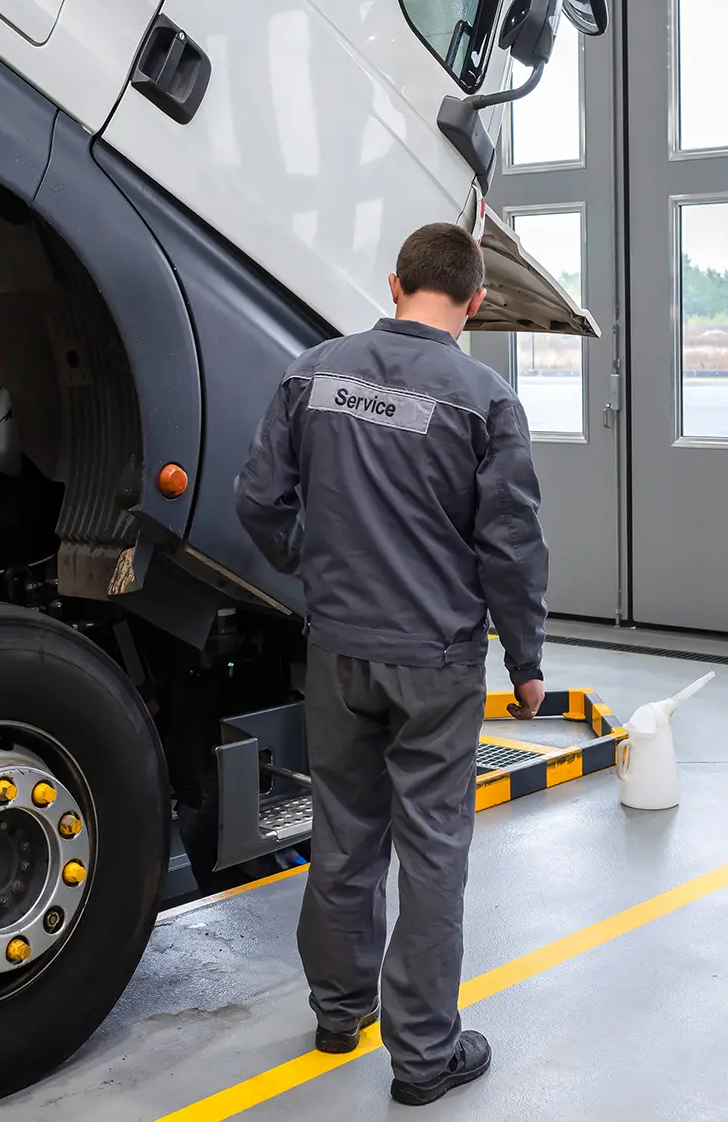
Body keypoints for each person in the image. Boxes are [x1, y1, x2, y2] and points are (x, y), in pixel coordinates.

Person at [233, 221, 549, 1106]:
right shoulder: (485, 400)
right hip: (437, 660)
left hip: (336, 649)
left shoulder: (311, 372)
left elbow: (259, 499)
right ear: (476, 303)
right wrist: (525, 661)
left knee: (342, 832)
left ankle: (339, 1013)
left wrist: (312, 562)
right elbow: (512, 548)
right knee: (434, 849)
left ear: (394, 281)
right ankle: (423, 1056)